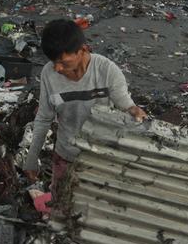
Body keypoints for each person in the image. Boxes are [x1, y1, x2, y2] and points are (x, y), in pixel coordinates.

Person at [19, 19, 147, 192]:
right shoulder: (49, 74)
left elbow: (125, 103)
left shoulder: (106, 71)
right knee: (61, 203)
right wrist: (32, 159)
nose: (57, 68)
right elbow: (43, 119)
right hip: (65, 154)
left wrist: (134, 111)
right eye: (53, 61)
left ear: (83, 50)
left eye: (63, 62)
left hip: (100, 157)